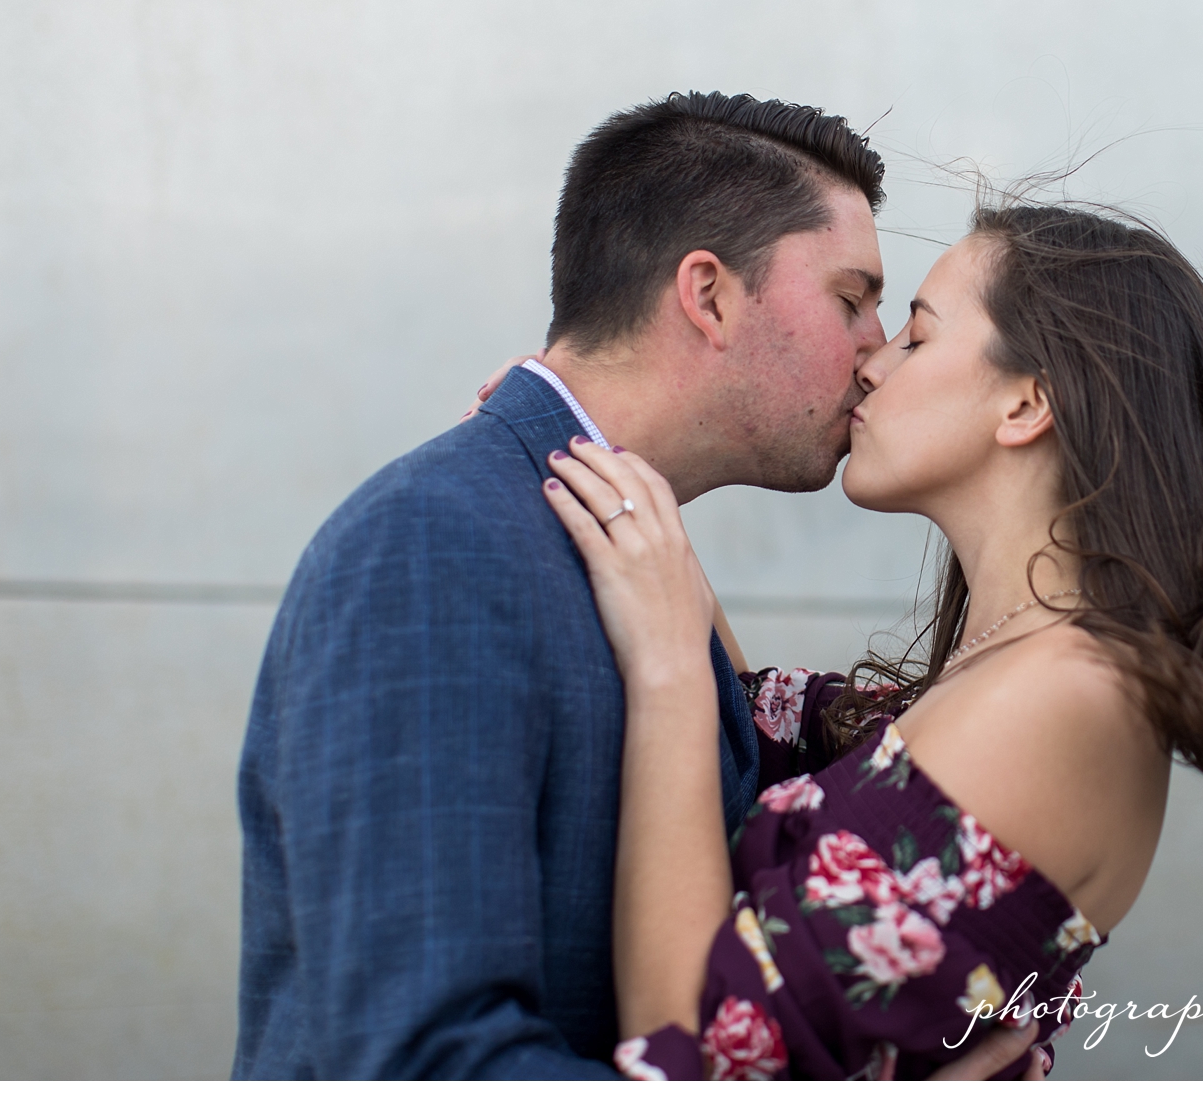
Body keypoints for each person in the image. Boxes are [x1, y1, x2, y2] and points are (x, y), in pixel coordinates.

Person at [539, 201, 1203, 1079]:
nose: (870, 365)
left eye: (915, 330)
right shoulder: (1019, 667)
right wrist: (603, 448)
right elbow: (752, 724)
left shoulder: (1063, 696)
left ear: (1025, 403)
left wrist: (670, 663)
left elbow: (695, 1046)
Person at [232, 92, 1034, 1078]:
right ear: (707, 294)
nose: (873, 350)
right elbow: (424, 1062)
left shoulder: (633, 562)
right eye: (850, 298)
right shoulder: (435, 545)